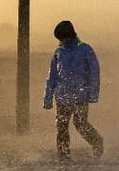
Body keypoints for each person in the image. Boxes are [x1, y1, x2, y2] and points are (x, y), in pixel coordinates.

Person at [42, 19, 105, 162]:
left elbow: (94, 72)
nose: (62, 41)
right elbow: (51, 77)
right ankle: (64, 157)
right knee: (62, 127)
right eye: (59, 39)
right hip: (62, 97)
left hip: (80, 96)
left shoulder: (85, 49)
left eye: (63, 38)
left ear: (70, 35)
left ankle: (97, 142)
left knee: (80, 123)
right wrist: (47, 98)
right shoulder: (58, 53)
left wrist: (93, 93)